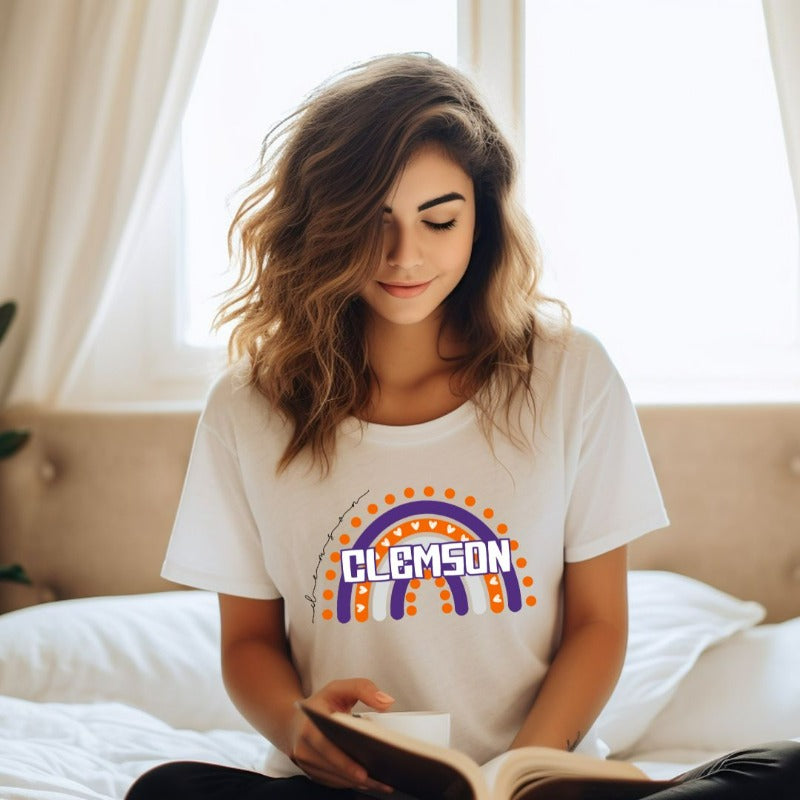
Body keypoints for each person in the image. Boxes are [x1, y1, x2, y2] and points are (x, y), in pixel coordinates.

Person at [125, 53, 800, 800]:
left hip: (538, 782)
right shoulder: (248, 406)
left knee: (782, 769)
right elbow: (249, 641)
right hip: (352, 789)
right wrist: (298, 729)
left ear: (480, 219)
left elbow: (599, 624)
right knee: (167, 790)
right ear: (324, 221)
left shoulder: (569, 374)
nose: (404, 255)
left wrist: (523, 772)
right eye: (371, 221)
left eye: (438, 219)